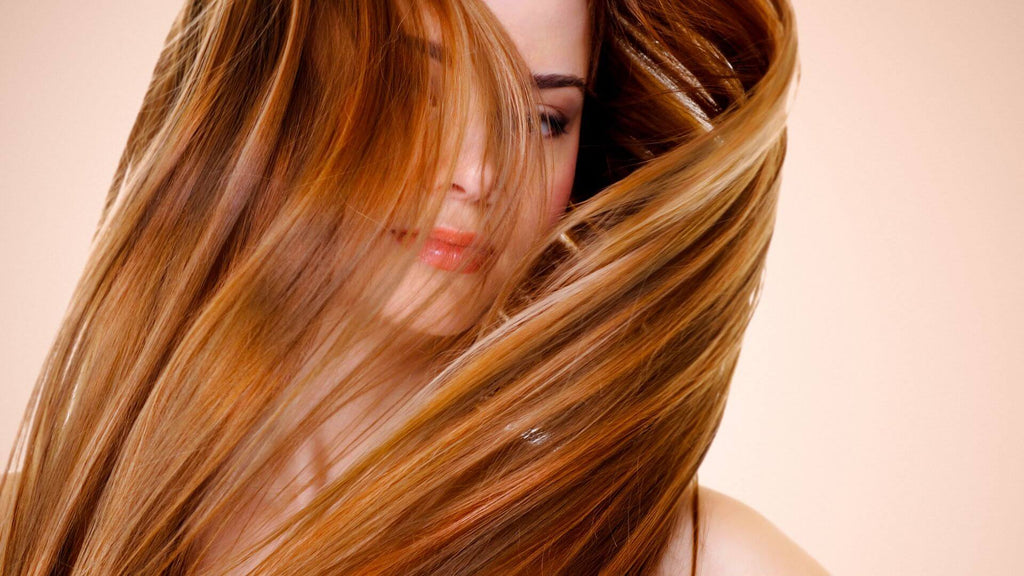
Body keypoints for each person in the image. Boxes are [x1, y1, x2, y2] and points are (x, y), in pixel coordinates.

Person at [0, 0, 828, 574]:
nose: (478, 173)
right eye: (420, 87)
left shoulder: (695, 561)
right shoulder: (38, 527)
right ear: (280, 93)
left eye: (545, 120)